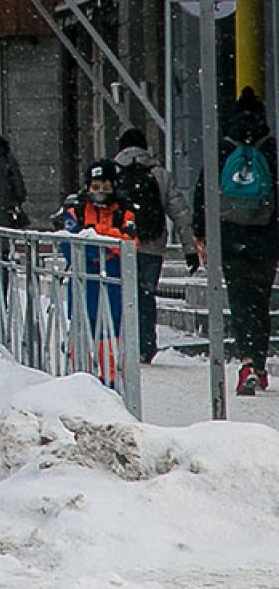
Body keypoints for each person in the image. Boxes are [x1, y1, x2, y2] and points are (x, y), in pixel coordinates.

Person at [193, 87, 279, 396]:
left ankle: (245, 361)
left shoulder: (222, 149)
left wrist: (200, 232)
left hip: (230, 238)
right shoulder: (270, 149)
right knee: (260, 302)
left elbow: (203, 192)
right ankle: (259, 362)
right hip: (266, 239)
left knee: (241, 302)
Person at [112, 127, 199, 362]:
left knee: (120, 293)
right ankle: (146, 346)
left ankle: (120, 343)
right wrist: (190, 249)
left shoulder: (112, 171)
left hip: (120, 245)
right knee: (145, 295)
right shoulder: (159, 173)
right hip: (152, 244)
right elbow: (180, 213)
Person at [55, 160, 138, 373]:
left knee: (112, 328)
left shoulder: (123, 210)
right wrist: (105, 244)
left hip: (113, 276)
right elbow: (70, 243)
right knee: (82, 325)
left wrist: (96, 231)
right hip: (83, 275)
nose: (100, 193)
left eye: (105, 187)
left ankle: (111, 383)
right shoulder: (77, 209)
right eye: (95, 187)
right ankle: (80, 378)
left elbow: (130, 244)